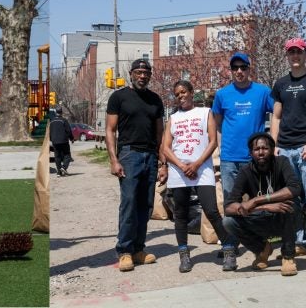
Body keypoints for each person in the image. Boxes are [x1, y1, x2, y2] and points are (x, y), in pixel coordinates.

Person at [161, 80, 236, 273]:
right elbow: (166, 147)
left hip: (202, 170)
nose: (181, 96)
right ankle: (184, 254)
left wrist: (196, 164)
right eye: (177, 94)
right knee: (180, 214)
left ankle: (228, 249)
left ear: (192, 92)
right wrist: (180, 165)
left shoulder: (205, 113)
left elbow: (212, 142)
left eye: (184, 92)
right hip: (179, 172)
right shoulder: (173, 118)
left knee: (211, 210)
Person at [270, 38, 306, 263]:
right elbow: (276, 116)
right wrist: (274, 145)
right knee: (291, 199)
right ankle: (297, 241)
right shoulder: (280, 84)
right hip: (285, 149)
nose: (295, 56)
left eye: (299, 52)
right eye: (291, 52)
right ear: (287, 55)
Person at [105, 58, 165, 272]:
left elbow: (160, 133)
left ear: (150, 75)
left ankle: (139, 249)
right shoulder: (118, 97)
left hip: (150, 156)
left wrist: (162, 163)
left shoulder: (155, 100)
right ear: (131, 74)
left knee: (145, 205)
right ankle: (124, 251)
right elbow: (110, 130)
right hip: (129, 154)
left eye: (145, 72)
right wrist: (114, 159)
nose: (142, 76)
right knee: (129, 204)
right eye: (138, 72)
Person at [212, 52, 274, 253]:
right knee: (231, 201)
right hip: (230, 158)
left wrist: (273, 143)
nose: (239, 71)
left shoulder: (263, 92)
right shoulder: (222, 95)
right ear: (231, 70)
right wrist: (222, 150)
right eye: (235, 68)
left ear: (249, 68)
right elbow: (218, 125)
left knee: (258, 199)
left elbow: (278, 115)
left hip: (256, 159)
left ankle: (260, 241)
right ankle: (231, 243)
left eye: (243, 67)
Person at [222, 132, 302, 277]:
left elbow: (294, 188)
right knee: (228, 221)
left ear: (271, 150)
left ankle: (288, 257)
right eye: (256, 149)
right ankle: (262, 249)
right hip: (259, 219)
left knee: (289, 207)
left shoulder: (282, 162)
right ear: (251, 153)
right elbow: (228, 207)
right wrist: (264, 206)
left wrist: (256, 200)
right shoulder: (246, 171)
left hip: (283, 218)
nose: (260, 152)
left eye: (264, 148)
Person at [49, 108, 74, 177]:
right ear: (61, 112)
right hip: (64, 141)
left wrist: (52, 139)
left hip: (55, 141)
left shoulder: (52, 121)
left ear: (56, 112)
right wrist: (72, 138)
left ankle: (59, 172)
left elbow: (49, 132)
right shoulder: (64, 120)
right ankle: (64, 167)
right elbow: (69, 131)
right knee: (67, 155)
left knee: (57, 157)